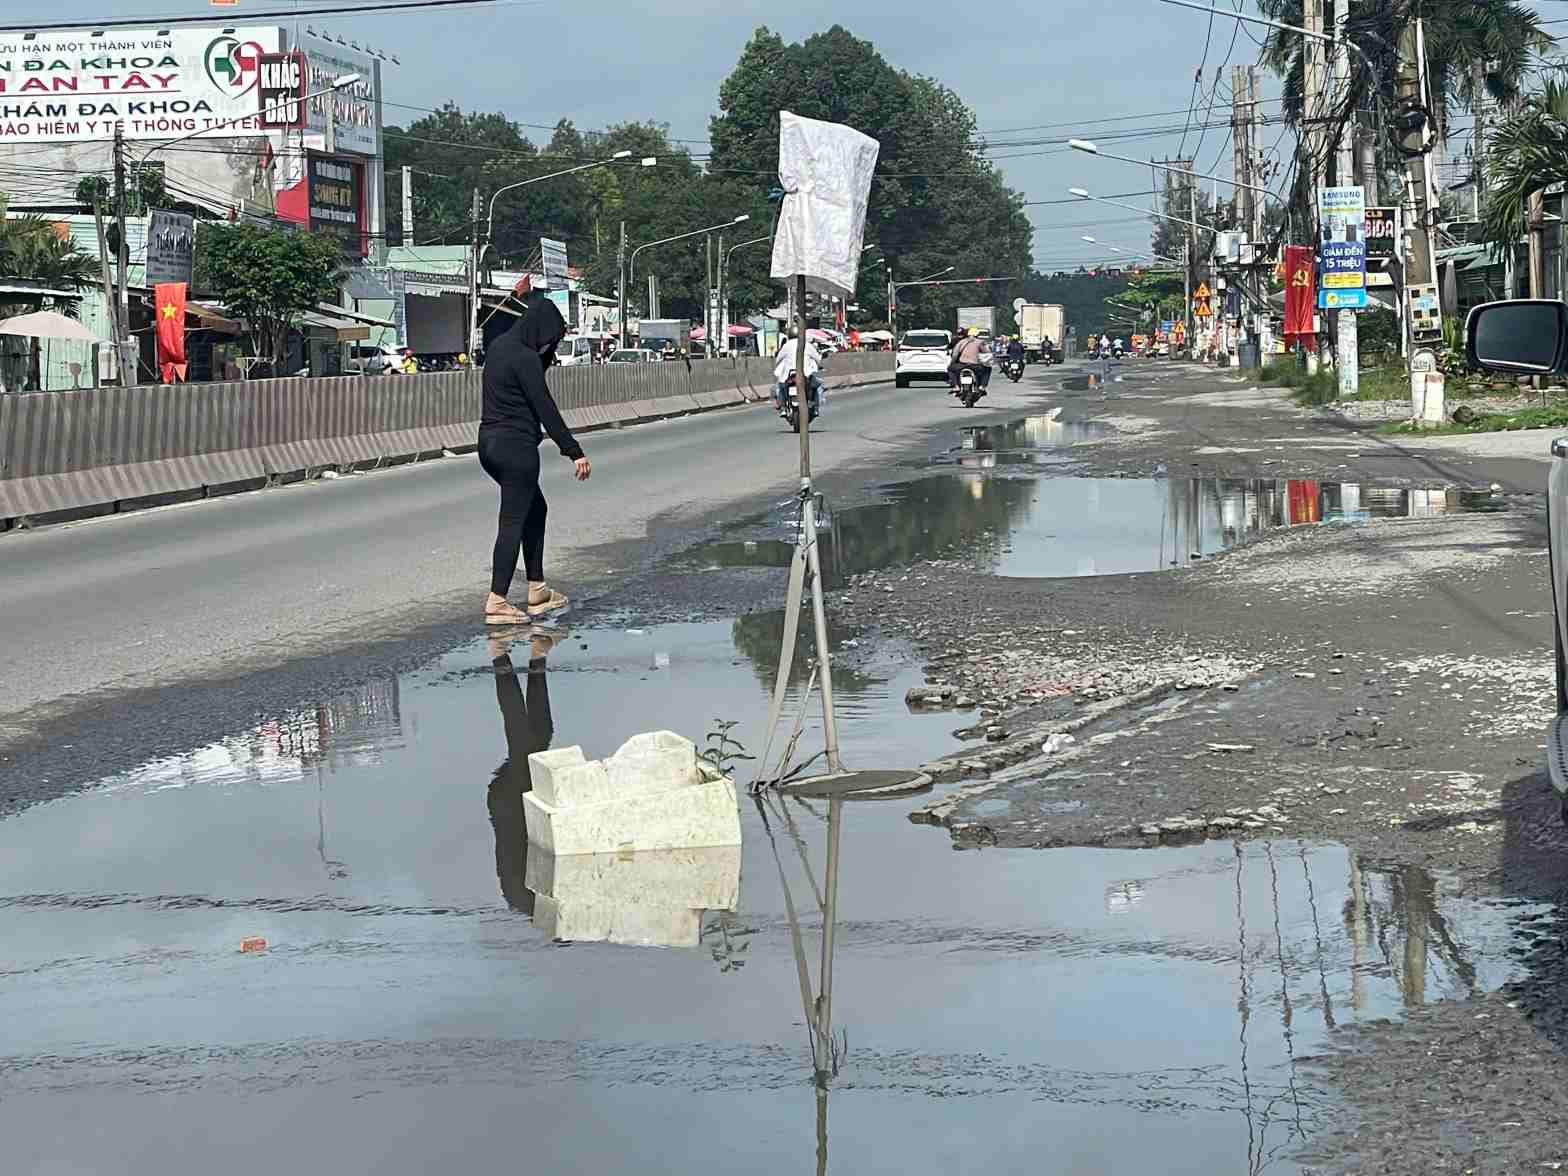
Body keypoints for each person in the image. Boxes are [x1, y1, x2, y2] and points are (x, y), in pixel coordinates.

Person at [478, 298, 592, 626]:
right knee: (513, 521)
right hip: (516, 448)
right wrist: (573, 450)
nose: (548, 346)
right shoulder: (526, 358)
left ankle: (537, 590)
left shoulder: (499, 346)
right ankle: (497, 601)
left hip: (489, 444)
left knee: (535, 509)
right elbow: (545, 407)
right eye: (549, 339)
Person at [487, 629, 559, 914]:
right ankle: (534, 658)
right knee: (539, 735)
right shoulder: (520, 896)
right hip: (516, 799)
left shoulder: (522, 895)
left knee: (524, 741)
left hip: (512, 800)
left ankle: (502, 657)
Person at [773, 326, 823, 416]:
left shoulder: (786, 345)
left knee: (780, 387)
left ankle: (783, 408)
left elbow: (778, 359)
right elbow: (817, 358)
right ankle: (816, 408)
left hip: (789, 375)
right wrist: (819, 365)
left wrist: (777, 366)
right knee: (818, 386)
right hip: (805, 374)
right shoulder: (807, 344)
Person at [949, 326, 992, 393]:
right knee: (988, 369)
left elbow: (955, 354)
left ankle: (956, 386)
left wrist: (952, 363)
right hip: (975, 365)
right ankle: (982, 386)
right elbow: (987, 352)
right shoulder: (980, 342)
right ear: (977, 335)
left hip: (962, 365)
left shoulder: (961, 342)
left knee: (950, 369)